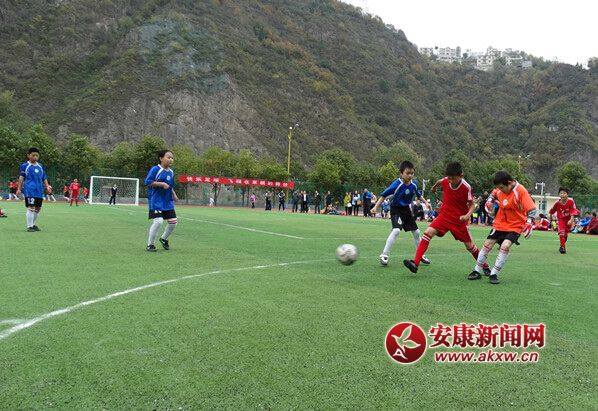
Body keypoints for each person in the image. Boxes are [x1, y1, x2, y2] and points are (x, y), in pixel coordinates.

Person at [403, 162, 490, 275]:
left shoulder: (466, 187)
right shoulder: (446, 180)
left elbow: (472, 205)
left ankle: (485, 266)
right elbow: (440, 181)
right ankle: (415, 263)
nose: (451, 181)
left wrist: (467, 216)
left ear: (461, 176)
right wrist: (434, 187)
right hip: (444, 216)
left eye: (453, 179)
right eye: (449, 178)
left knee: (470, 246)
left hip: (458, 220)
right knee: (428, 233)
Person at [467, 171, 536, 284]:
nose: (500, 190)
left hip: (515, 225)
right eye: (498, 187)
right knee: (487, 244)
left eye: (502, 187)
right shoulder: (500, 188)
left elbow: (532, 209)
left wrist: (529, 222)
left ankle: (494, 273)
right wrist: (489, 201)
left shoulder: (520, 190)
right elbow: (493, 193)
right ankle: (477, 270)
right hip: (500, 223)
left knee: (505, 246)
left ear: (510, 183)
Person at [370, 160, 431, 267]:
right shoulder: (397, 184)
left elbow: (418, 195)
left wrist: (426, 202)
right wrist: (375, 207)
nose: (410, 175)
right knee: (396, 230)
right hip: (396, 209)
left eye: (412, 173)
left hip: (406, 210)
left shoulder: (414, 184)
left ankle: (420, 255)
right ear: (401, 173)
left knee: (416, 232)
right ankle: (384, 255)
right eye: (407, 173)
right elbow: (383, 195)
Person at [145, 150, 178, 252]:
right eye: (168, 157)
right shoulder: (155, 169)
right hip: (156, 200)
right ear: (161, 158)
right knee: (158, 221)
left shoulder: (171, 171)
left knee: (173, 222)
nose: (171, 159)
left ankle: (163, 238)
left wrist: (174, 194)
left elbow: (170, 185)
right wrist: (161, 184)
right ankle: (150, 244)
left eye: (172, 158)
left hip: (167, 201)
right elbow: (148, 182)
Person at [16, 147, 51, 232]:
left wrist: (47, 186)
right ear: (28, 155)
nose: (35, 157)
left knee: (38, 208)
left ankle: (33, 224)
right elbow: (21, 178)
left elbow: (44, 177)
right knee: (31, 207)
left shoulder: (40, 166)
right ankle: (29, 226)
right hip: (30, 190)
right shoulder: (25, 166)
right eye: (33, 155)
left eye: (37, 155)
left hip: (39, 190)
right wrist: (19, 189)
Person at [548, 187, 578, 253]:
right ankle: (563, 248)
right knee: (561, 232)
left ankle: (561, 245)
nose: (562, 195)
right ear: (559, 194)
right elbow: (552, 211)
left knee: (565, 235)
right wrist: (550, 216)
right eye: (561, 193)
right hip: (561, 219)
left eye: (564, 193)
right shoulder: (557, 203)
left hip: (568, 219)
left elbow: (573, 210)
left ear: (567, 194)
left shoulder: (571, 201)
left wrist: (571, 220)